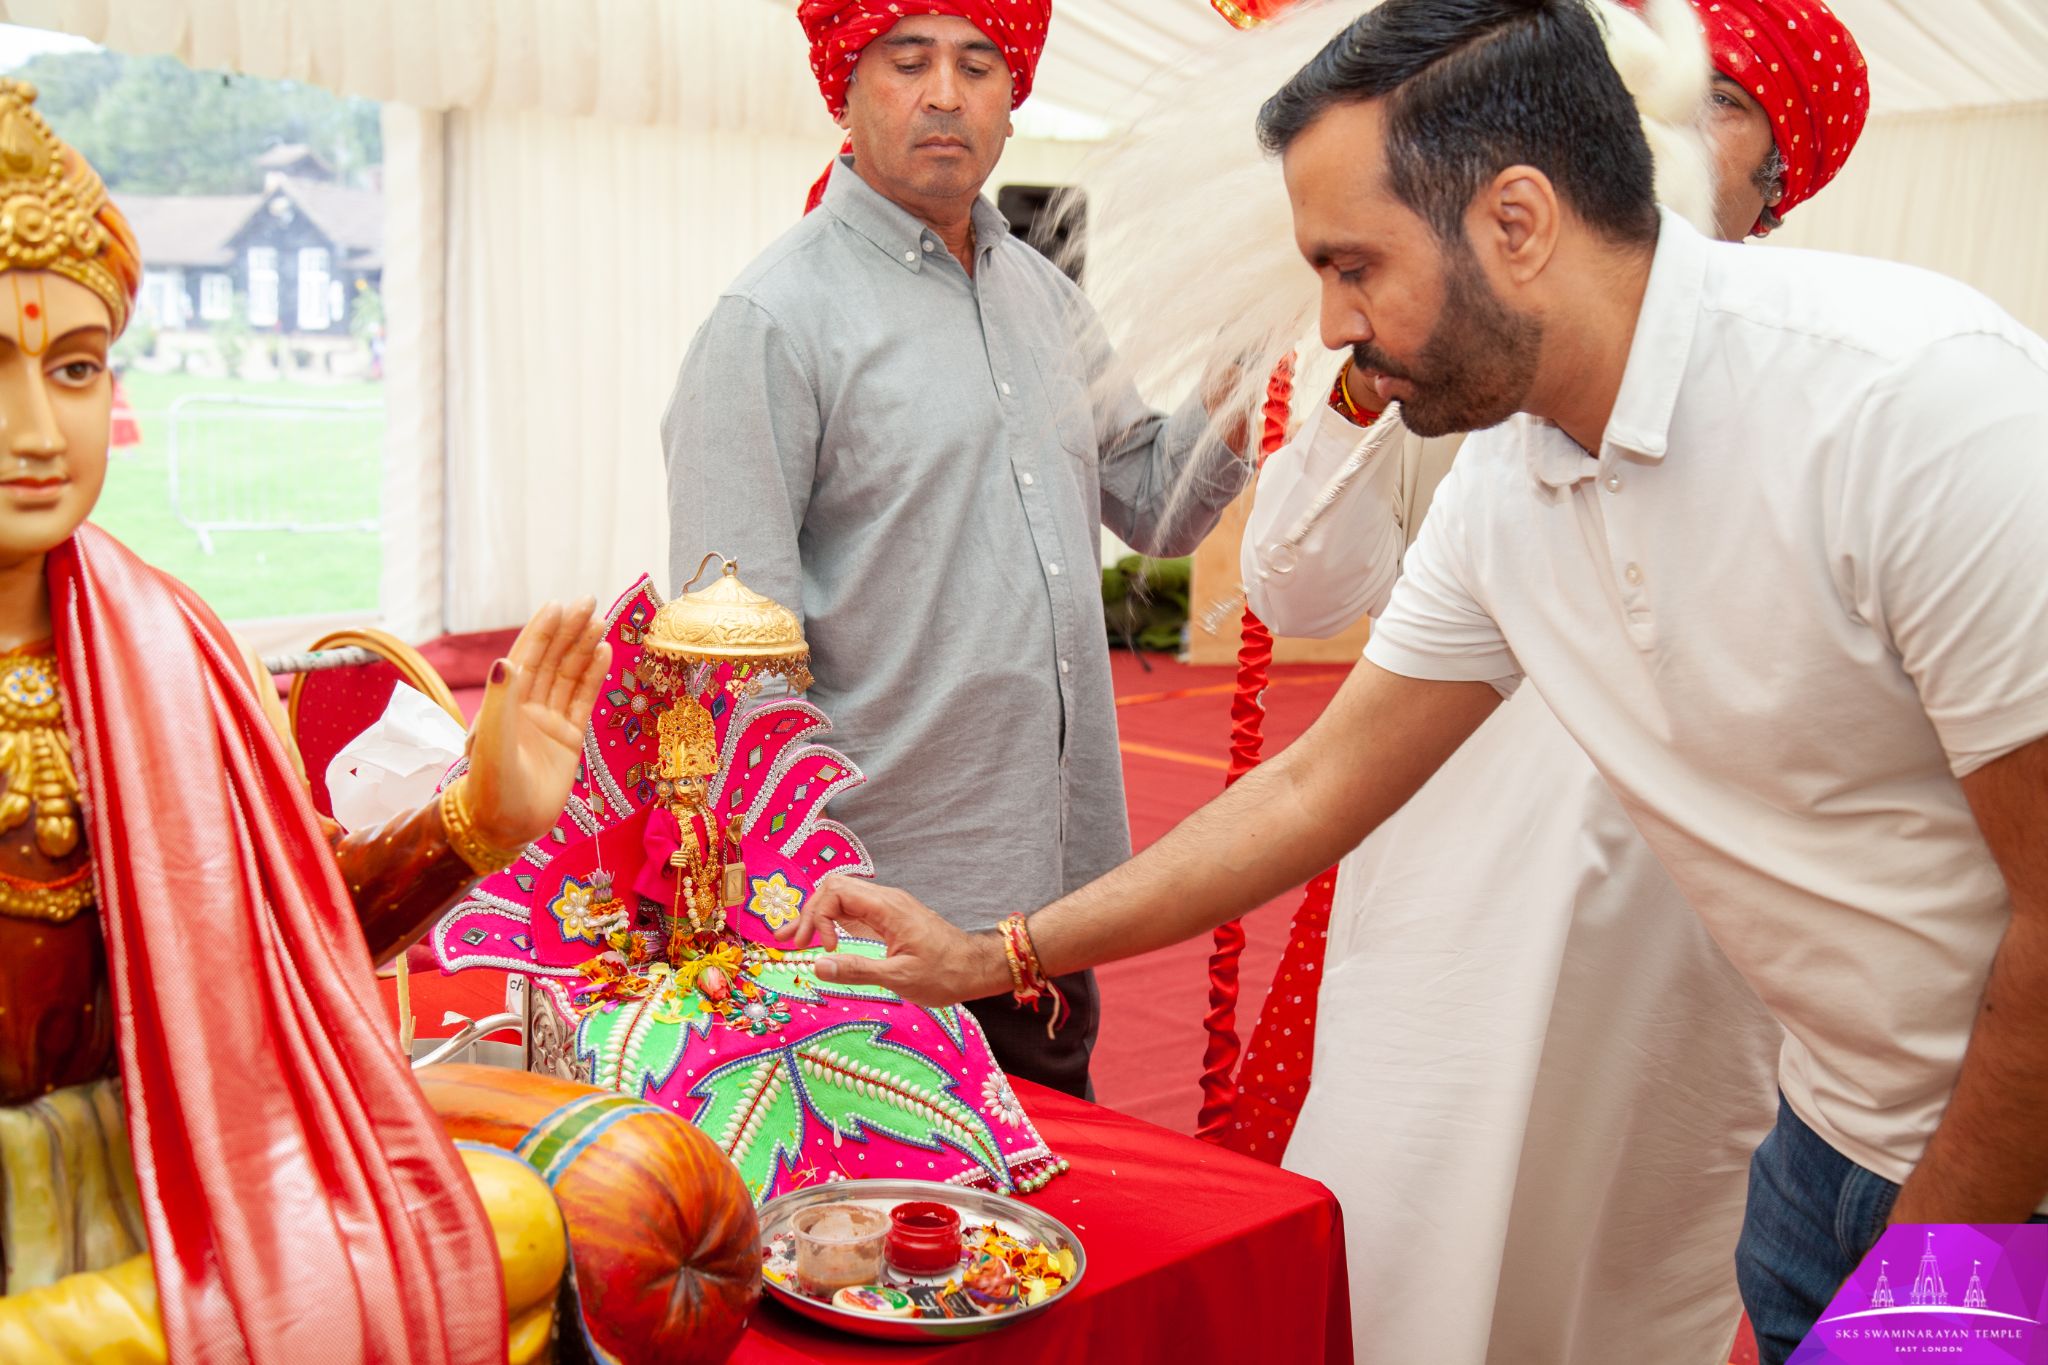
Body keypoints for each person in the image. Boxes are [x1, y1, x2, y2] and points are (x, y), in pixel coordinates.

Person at [781, 3, 2048, 1362]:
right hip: (1820, 1146)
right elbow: (1315, 786)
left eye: (1355, 266)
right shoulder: (1512, 475)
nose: (1334, 321)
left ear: (1516, 222)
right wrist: (992, 955)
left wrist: (1932, 1291)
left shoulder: (1915, 407)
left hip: (1999, 1168)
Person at [1226, 2, 1866, 1359]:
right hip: (1452, 876)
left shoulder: (1860, 400)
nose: (1670, 124)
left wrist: (1975, 1209)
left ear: (1779, 175)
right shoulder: (1478, 373)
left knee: (1635, 1263)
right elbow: (1305, 658)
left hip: (1755, 983)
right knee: (1404, 1239)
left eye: (1723, 105)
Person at [0, 79, 613, 1362]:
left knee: (513, 1228)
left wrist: (477, 820)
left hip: (164, 1188)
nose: (36, 430)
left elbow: (290, 938)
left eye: (73, 368)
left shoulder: (172, 652)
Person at [662, 0, 1252, 1095]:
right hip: (868, 922)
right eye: (909, 60)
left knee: (1049, 1194)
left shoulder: (1044, 297)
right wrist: (788, 904)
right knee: (881, 1202)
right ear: (844, 86)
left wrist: (1241, 372)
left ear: (1011, 100)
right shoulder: (772, 320)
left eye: (979, 65)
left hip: (1048, 914)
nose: (945, 94)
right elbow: (728, 669)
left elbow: (1153, 504)